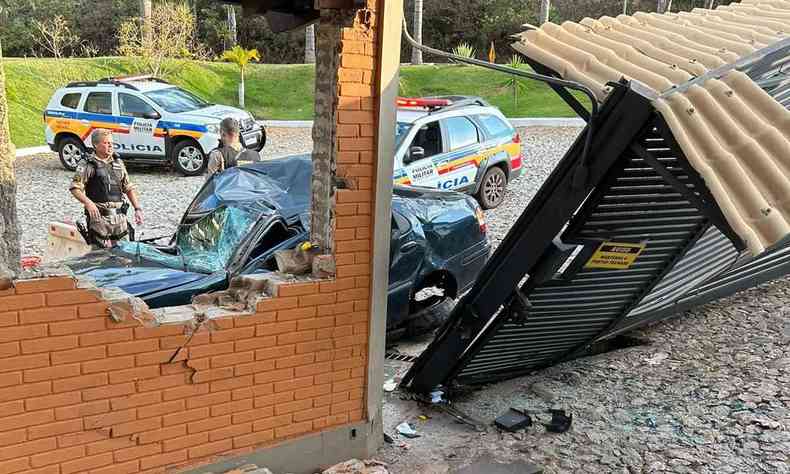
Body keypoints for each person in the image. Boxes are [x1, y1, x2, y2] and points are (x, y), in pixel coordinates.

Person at [70, 129, 143, 248]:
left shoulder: (118, 163)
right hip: (99, 219)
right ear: (95, 145)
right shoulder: (87, 164)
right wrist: (88, 203)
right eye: (106, 143)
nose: (110, 146)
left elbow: (128, 187)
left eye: (111, 143)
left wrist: (137, 209)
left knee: (125, 254)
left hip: (119, 217)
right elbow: (75, 188)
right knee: (99, 257)